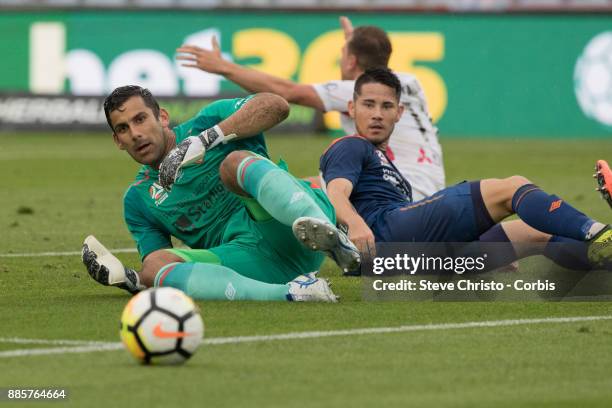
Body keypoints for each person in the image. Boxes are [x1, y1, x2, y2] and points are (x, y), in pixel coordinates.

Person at [81, 85, 361, 302]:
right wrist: (130, 280)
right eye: (123, 129)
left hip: (288, 223)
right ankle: (296, 293)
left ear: (162, 117)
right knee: (155, 265)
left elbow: (276, 105)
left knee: (233, 163)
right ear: (118, 141)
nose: (136, 133)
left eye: (140, 119)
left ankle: (334, 239)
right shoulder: (138, 199)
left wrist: (208, 139)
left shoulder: (207, 121)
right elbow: (159, 273)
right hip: (251, 260)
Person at [319, 67, 611, 270]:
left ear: (400, 113)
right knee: (512, 187)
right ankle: (599, 232)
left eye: (386, 106)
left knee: (535, 232)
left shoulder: (385, 164)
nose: (377, 114)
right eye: (368, 105)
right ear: (351, 108)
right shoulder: (350, 146)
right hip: (386, 236)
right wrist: (355, 225)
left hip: (415, 259)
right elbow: (336, 192)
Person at [176, 16, 444, 201]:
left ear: (351, 61)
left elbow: (290, 92)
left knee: (284, 191)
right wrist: (356, 43)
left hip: (396, 191)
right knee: (314, 183)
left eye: (343, 53)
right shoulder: (410, 82)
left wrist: (224, 67)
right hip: (432, 192)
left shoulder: (357, 90)